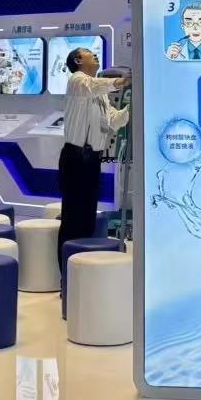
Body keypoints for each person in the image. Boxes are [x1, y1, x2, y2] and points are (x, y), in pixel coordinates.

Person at [57, 48, 129, 266]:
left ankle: (82, 267)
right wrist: (120, 82)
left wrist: (131, 107)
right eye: (89, 53)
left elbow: (113, 122)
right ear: (78, 60)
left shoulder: (100, 93)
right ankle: (66, 271)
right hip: (75, 158)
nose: (95, 55)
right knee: (73, 218)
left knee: (88, 217)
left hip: (92, 160)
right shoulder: (77, 81)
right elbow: (92, 86)